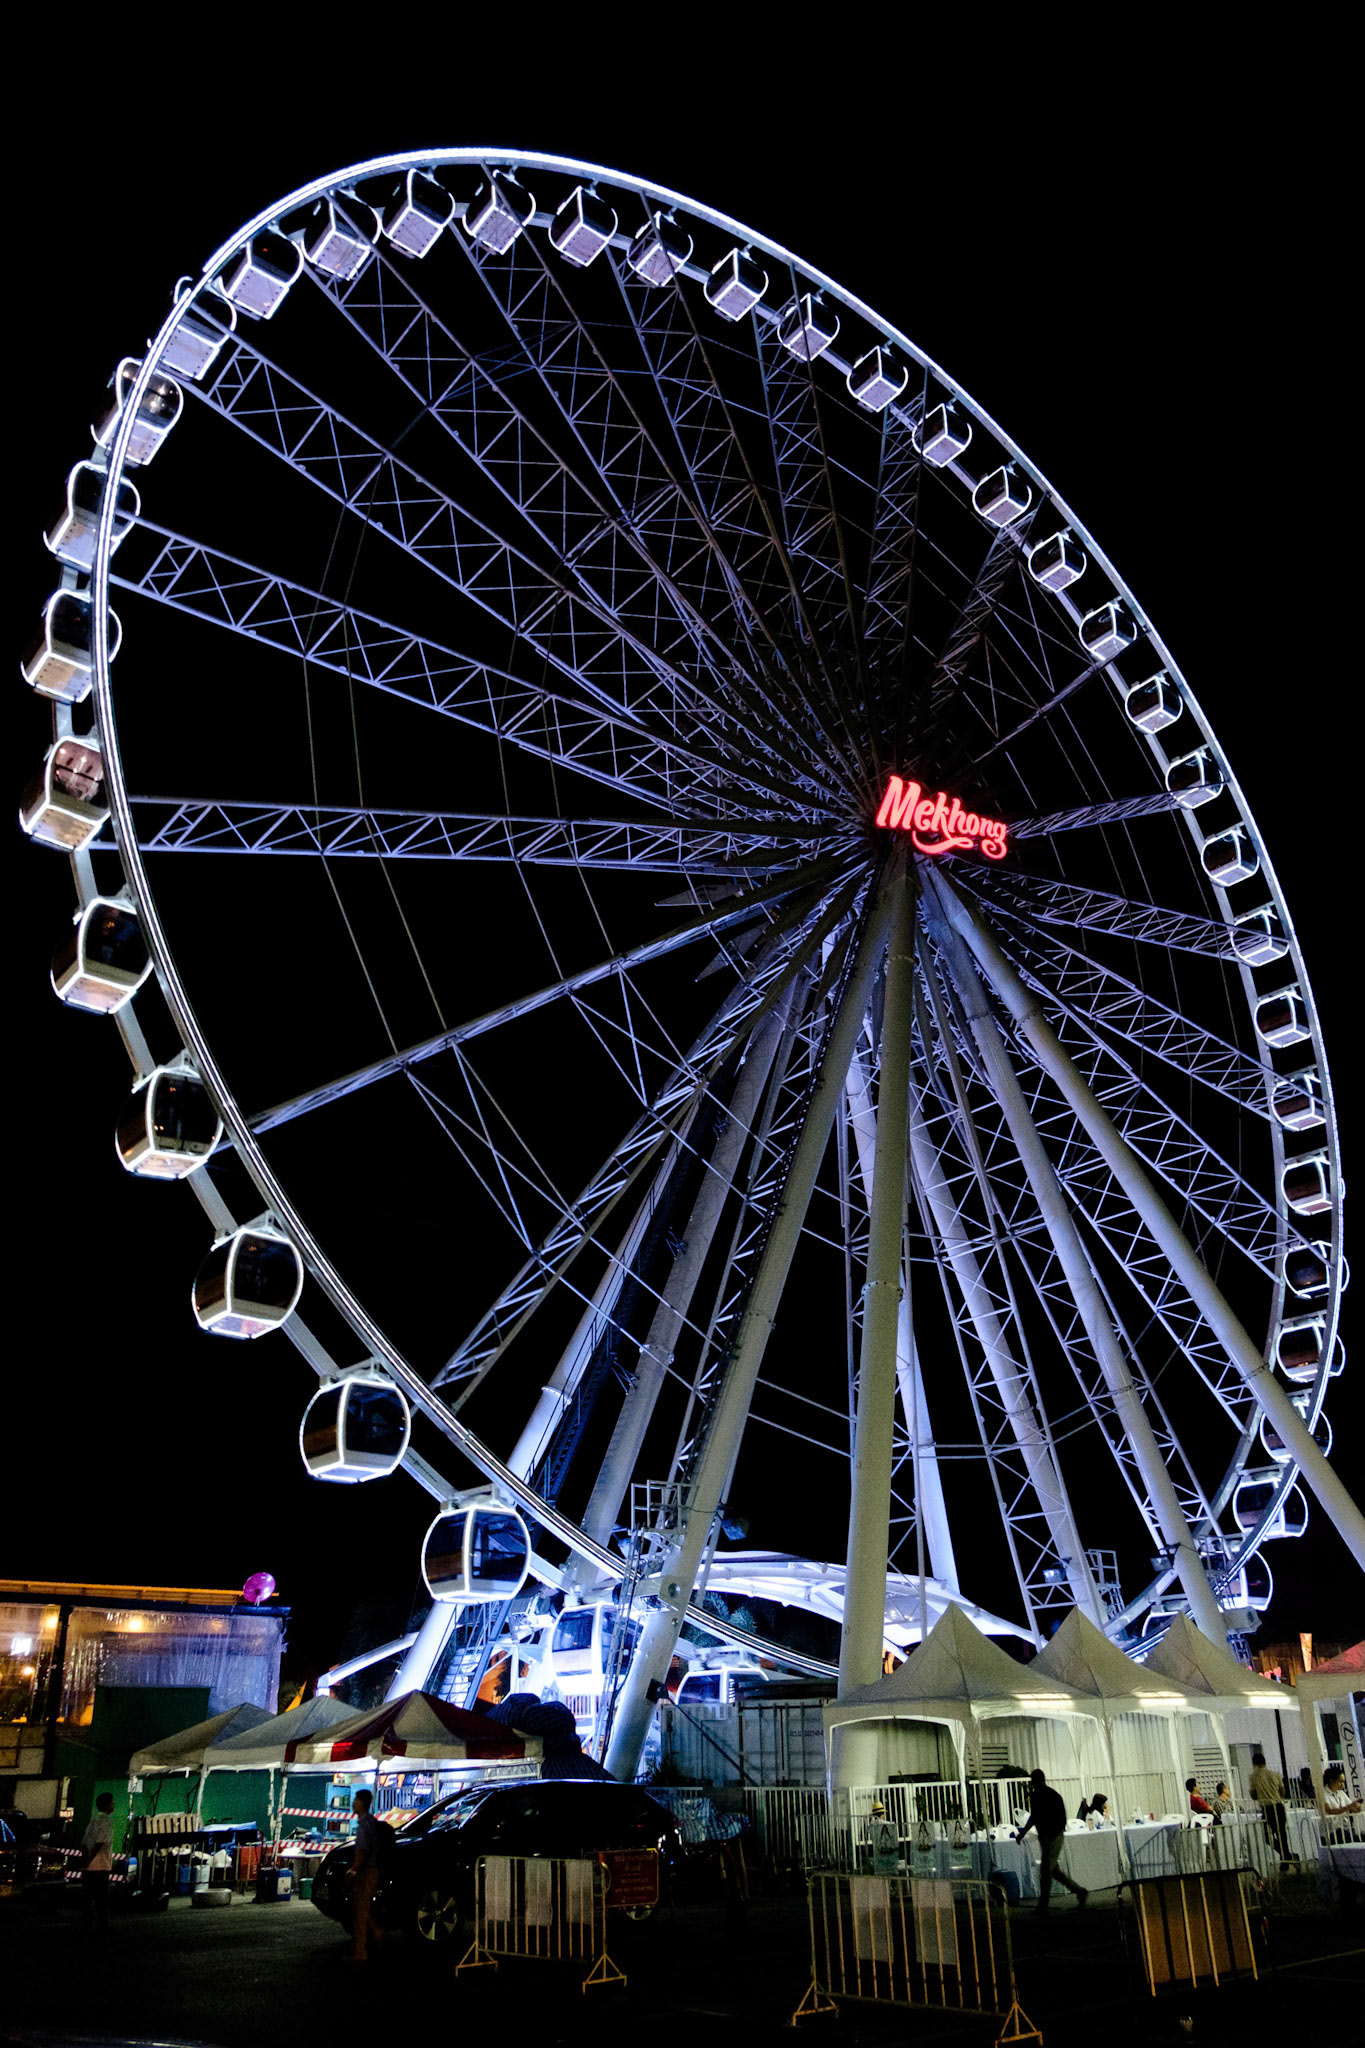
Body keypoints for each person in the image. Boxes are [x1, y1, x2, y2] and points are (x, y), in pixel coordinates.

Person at [1014, 1769, 1087, 1914]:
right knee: (1053, 1870)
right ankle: (1079, 1891)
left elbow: (1034, 1817)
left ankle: (1044, 1904)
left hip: (1049, 1835)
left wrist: (1022, 1833)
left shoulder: (1037, 1796)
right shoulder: (1053, 1795)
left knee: (1046, 1870)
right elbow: (1060, 1816)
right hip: (1053, 1835)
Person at [347, 1789, 387, 1962]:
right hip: (372, 1870)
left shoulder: (364, 1825)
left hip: (367, 1871)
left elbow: (362, 1850)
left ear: (363, 1803)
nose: (353, 1803)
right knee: (361, 1906)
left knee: (360, 1913)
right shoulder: (371, 1822)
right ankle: (377, 1931)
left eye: (356, 1800)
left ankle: (360, 1951)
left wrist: (354, 1869)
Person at [80, 1792, 115, 1935]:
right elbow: (100, 1842)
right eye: (112, 1803)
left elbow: (84, 1842)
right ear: (107, 1805)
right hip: (100, 1865)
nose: (113, 1805)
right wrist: (91, 1858)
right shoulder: (106, 1821)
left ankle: (87, 1925)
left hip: (90, 1867)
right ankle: (102, 1927)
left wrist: (85, 1861)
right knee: (102, 1900)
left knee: (88, 1898)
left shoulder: (93, 1820)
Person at [1249, 1750, 1290, 1864]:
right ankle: (1286, 1856)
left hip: (1266, 1808)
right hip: (1278, 1806)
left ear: (1254, 1764)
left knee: (1267, 1836)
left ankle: (1284, 1855)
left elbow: (1253, 1795)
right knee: (1282, 1834)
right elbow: (1282, 1791)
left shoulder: (1253, 1777)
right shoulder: (1275, 1774)